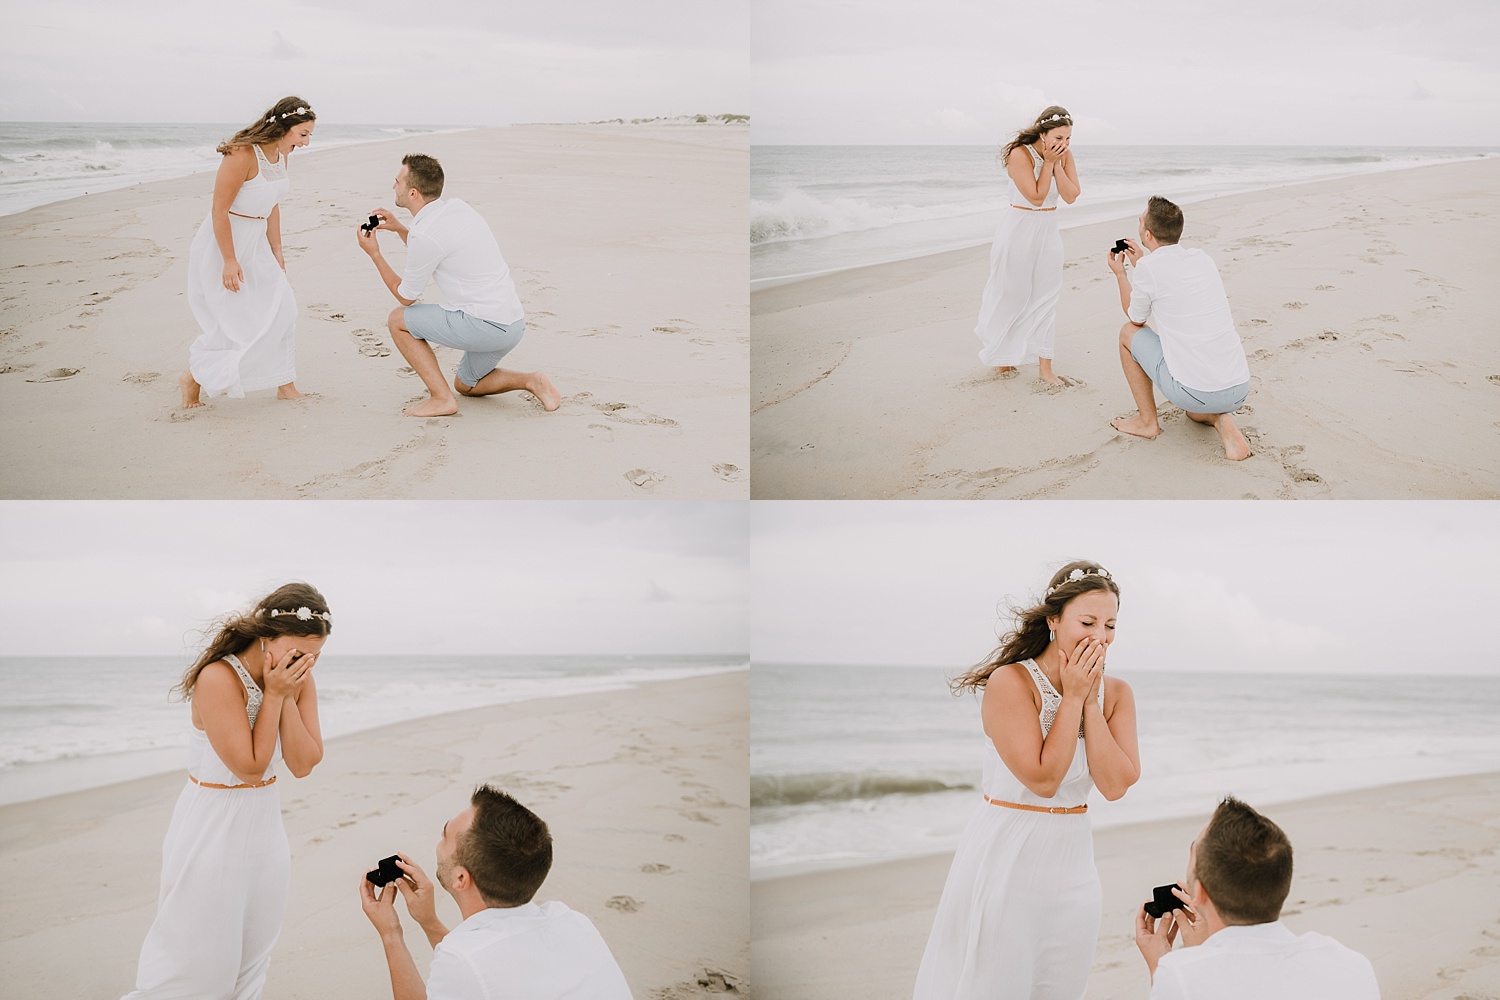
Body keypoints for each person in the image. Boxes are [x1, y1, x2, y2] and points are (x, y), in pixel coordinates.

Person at [913, 561, 1141, 1000]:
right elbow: (1043, 778)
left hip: (1073, 863)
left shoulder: (1117, 694)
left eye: (1110, 625)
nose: (1100, 636)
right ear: (1054, 620)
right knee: (995, 984)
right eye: (1087, 622)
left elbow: (1115, 785)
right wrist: (1073, 696)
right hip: (1010, 853)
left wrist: (1091, 703)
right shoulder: (1011, 681)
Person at [123, 583, 331, 1000]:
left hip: (264, 824)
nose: (305, 663)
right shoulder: (217, 677)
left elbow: (304, 763)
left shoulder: (296, 678)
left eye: (314, 655)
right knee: (197, 957)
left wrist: (286, 694)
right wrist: (274, 694)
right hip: (212, 823)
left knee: (252, 953)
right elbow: (250, 767)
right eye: (296, 652)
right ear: (264, 637)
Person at [359, 784, 632, 1000]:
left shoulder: (461, 960)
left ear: (461, 878)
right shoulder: (572, 921)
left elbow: (473, 965)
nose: (439, 842)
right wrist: (428, 921)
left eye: (445, 834)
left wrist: (390, 933)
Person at [356, 154, 561, 418]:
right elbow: (434, 247)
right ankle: (532, 381)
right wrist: (399, 229)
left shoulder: (425, 236)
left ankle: (441, 399)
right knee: (466, 384)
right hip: (512, 323)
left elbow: (406, 296)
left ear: (413, 193)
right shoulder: (458, 208)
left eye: (397, 182)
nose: (393, 186)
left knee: (397, 319)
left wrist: (374, 254)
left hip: (486, 326)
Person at [1134, 796, 1380, 999]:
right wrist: (1203, 951)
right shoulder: (1352, 965)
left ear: (1198, 892)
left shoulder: (1180, 975)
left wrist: (1163, 967)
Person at [180, 97, 316, 408]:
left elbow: (273, 202)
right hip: (226, 244)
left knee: (284, 310)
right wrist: (229, 260)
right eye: (303, 134)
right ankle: (192, 378)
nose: (306, 142)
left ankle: (285, 383)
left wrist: (277, 250)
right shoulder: (242, 153)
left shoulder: (281, 155)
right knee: (233, 321)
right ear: (283, 128)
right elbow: (219, 210)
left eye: (309, 135)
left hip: (257, 244)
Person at [1107, 196, 1253, 460]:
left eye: (1141, 221)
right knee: (1194, 405)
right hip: (1238, 388)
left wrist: (1121, 274)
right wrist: (1143, 264)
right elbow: (1171, 279)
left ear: (1147, 235)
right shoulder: (1202, 258)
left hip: (1194, 392)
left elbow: (1135, 318)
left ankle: (1147, 422)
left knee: (1126, 333)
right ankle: (1222, 420)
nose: (1139, 223)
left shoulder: (1150, 269)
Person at [974, 106, 1081, 386]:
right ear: (1042, 134)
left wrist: (1057, 163)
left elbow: (1070, 196)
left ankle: (1046, 369)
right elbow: (1035, 196)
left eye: (1068, 139)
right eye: (1058, 138)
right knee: (1012, 294)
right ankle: (1002, 360)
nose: (1064, 144)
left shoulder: (1064, 156)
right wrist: (1046, 163)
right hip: (1019, 229)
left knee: (1046, 297)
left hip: (1048, 230)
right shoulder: (1019, 154)